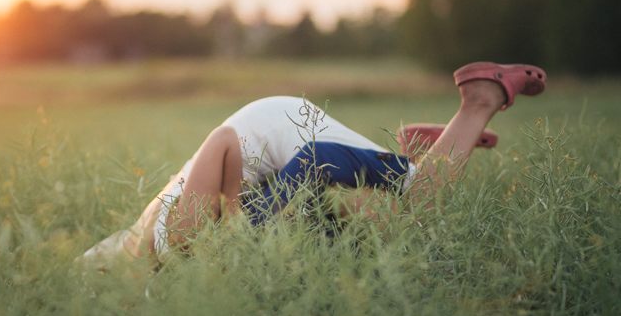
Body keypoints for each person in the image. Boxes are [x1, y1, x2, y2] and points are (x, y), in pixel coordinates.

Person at [79, 62, 546, 269]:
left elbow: (222, 142)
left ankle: (479, 98)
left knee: (417, 204)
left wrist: (238, 213)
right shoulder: (153, 242)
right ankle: (415, 149)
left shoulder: (170, 238)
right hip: (272, 139)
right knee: (375, 225)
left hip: (274, 129)